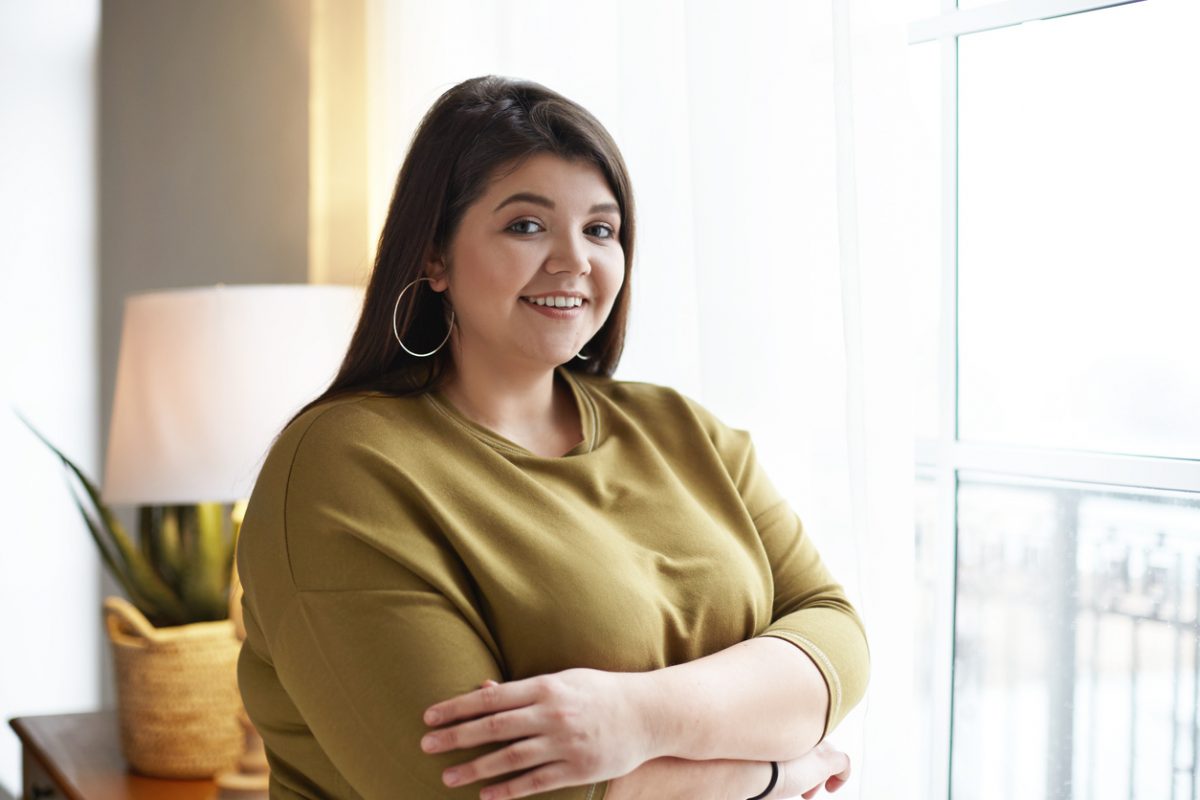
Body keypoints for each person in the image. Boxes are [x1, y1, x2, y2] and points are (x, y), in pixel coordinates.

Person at [235, 74, 870, 800]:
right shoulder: (342, 465)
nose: (575, 261)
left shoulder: (683, 429)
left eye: (600, 229)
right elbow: (473, 786)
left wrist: (640, 720)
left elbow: (834, 637)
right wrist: (772, 774)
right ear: (434, 256)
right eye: (527, 225)